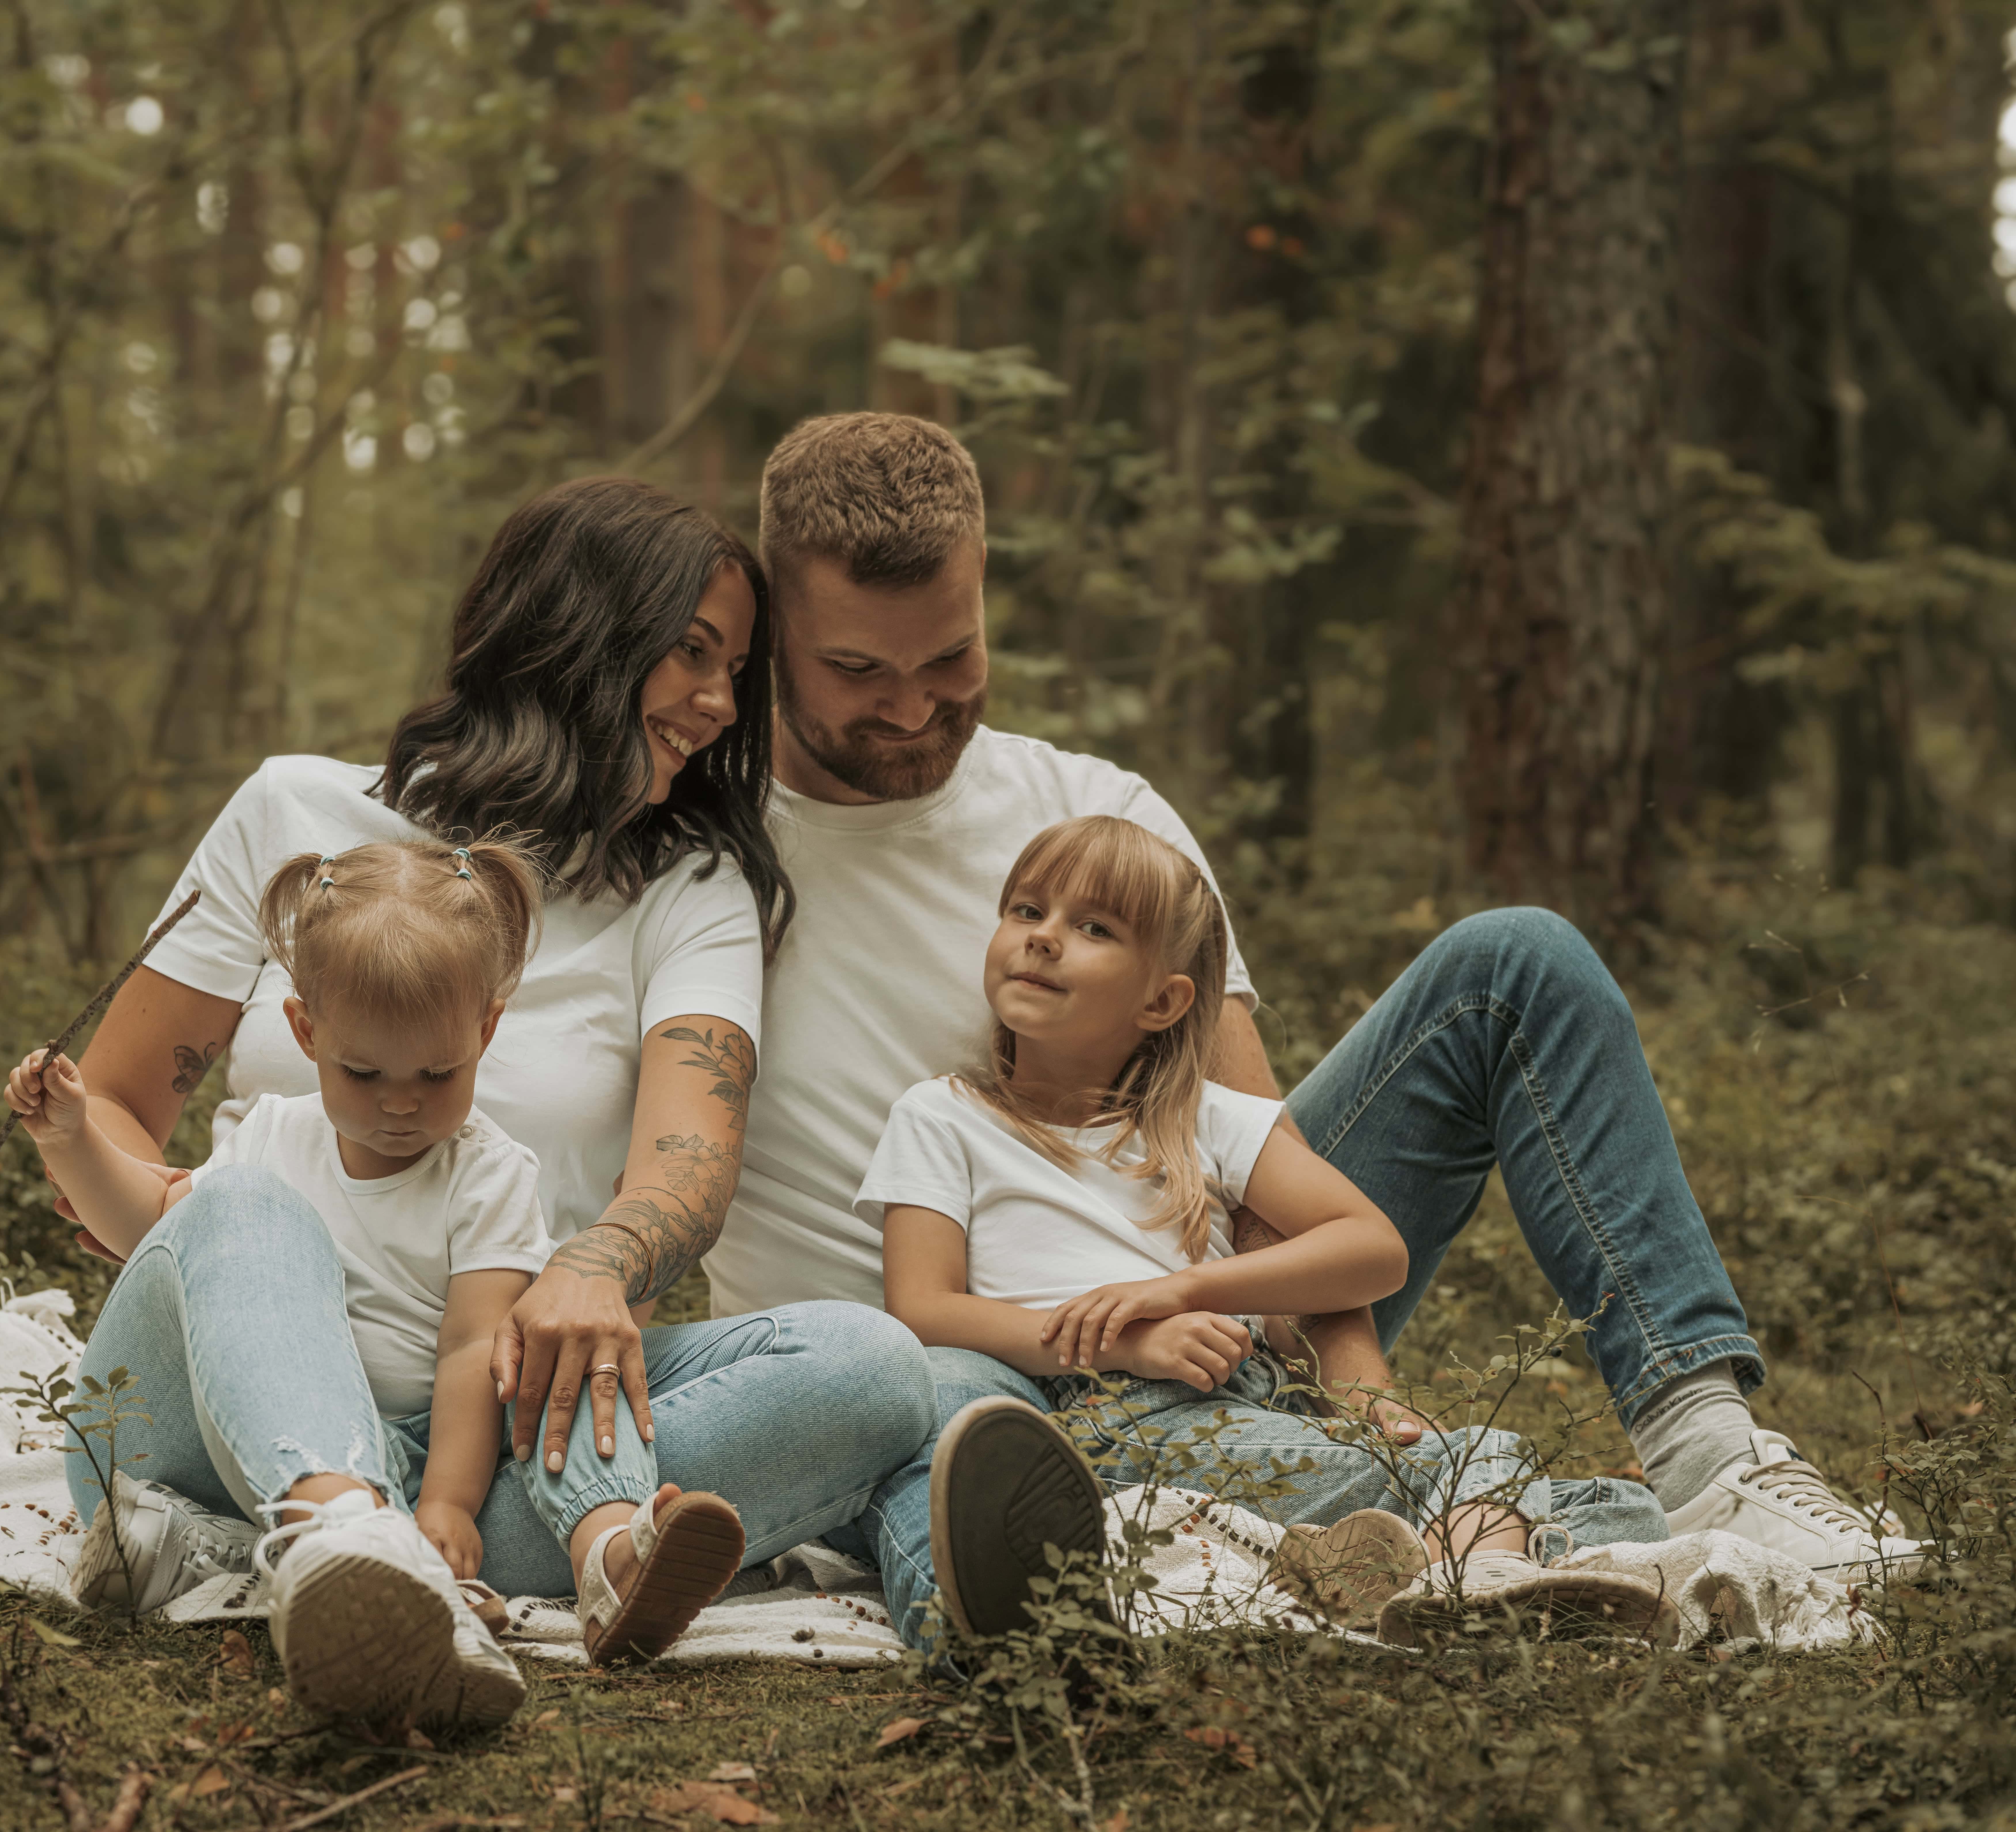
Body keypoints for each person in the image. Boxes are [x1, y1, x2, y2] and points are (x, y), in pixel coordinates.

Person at [714, 412, 1919, 1648]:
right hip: (955, 1370)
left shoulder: (1096, 817)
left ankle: (1710, 1459)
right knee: (971, 1419)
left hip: (1204, 1323)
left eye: (952, 658)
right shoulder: (706, 856)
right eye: (860, 672)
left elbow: (1249, 1158)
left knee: (1517, 964)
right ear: (772, 641)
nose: (914, 709)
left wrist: (1352, 1384)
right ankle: (1514, 1531)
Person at [55, 477, 936, 1720]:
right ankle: (328, 1528)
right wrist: (183, 1226)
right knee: (245, 1207)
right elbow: (117, 1107)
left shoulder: (688, 888)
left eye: (736, 669)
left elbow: (690, 1158)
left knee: (872, 1367)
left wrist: (593, 1267)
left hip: (490, 1429)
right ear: (578, 637)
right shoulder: (292, 816)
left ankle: (416, 1557)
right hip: (216, 1408)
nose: (721, 705)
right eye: (690, 654)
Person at [866, 814, 1667, 1646]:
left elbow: (1372, 1250)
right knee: (1484, 1462)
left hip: (1245, 1411)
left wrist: (1185, 1288)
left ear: (1163, 1000)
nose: (1043, 940)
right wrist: (1128, 1342)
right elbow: (924, 1311)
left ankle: (1370, 1564)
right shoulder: (946, 1116)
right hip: (1105, 1413)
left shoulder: (1208, 1121)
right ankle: (1463, 1592)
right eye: (1027, 912)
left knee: (1625, 1505)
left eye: (1093, 928)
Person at [8, 838, 755, 1725]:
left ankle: (593, 1554)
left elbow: (474, 1345)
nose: (401, 1104)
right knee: (239, 1205)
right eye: (363, 1073)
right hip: (179, 1450)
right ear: (305, 1031)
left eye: (438, 1075)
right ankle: (352, 1535)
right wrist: (72, 1137)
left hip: (396, 1457)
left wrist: (445, 1499)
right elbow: (146, 1224)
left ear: (485, 1028)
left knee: (564, 1360)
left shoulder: (489, 1175)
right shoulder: (270, 1140)